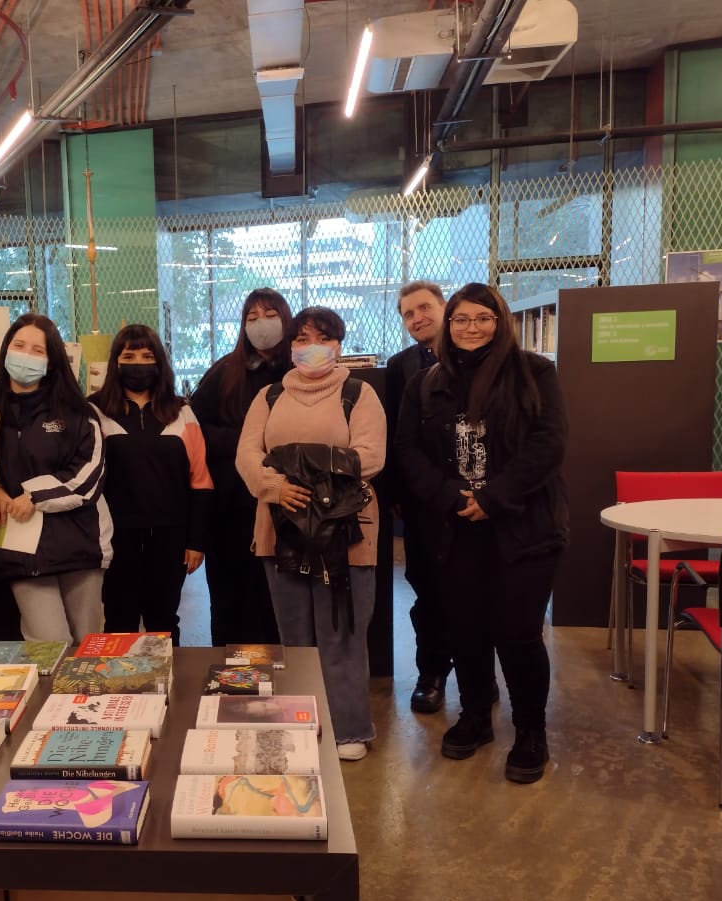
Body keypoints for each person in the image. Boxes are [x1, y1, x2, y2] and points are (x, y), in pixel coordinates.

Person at [395, 282, 568, 785]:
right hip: (453, 529)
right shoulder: (425, 384)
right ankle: (474, 716)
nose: (471, 328)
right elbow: (408, 451)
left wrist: (492, 499)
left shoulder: (535, 373)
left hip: (524, 530)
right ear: (449, 327)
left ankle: (531, 731)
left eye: (482, 318)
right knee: (465, 630)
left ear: (501, 322)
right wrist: (454, 498)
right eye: (461, 320)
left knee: (516, 634)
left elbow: (549, 444)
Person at [236, 306, 386, 761]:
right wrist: (275, 487)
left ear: (338, 345)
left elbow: (370, 457)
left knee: (342, 630)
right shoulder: (268, 395)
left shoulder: (358, 394)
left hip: (346, 530)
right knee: (295, 632)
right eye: (301, 338)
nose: (309, 346)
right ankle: (301, 720)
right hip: (278, 527)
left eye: (321, 337)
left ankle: (349, 728)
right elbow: (247, 454)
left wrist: (303, 479)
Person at [0, 313, 111, 645]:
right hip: (19, 549)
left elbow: (88, 476)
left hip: (79, 545)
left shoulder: (79, 412)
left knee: (89, 647)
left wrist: (35, 496)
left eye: (37, 350)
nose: (26, 355)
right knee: (49, 646)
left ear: (52, 360)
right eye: (19, 345)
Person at [90, 324, 213, 644]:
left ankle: (168, 692)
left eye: (147, 355)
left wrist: (197, 542)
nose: (138, 362)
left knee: (164, 620)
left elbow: (201, 481)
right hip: (114, 537)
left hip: (171, 537)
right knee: (119, 618)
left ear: (159, 362)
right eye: (128, 355)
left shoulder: (182, 411)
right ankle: (119, 693)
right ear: (115, 362)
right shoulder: (94, 410)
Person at [190, 288, 293, 646]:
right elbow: (195, 429)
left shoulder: (299, 371)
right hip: (230, 509)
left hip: (287, 508)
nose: (261, 325)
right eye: (252, 318)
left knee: (279, 602)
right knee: (230, 600)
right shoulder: (224, 371)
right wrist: (246, 444)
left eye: (270, 316)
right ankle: (229, 678)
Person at [384, 280, 455, 713]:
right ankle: (431, 673)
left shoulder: (476, 356)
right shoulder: (400, 365)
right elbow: (395, 433)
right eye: (408, 314)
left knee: (472, 590)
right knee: (426, 589)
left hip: (472, 499)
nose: (418, 318)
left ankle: (477, 675)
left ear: (445, 307)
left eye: (424, 308)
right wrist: (397, 491)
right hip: (420, 500)